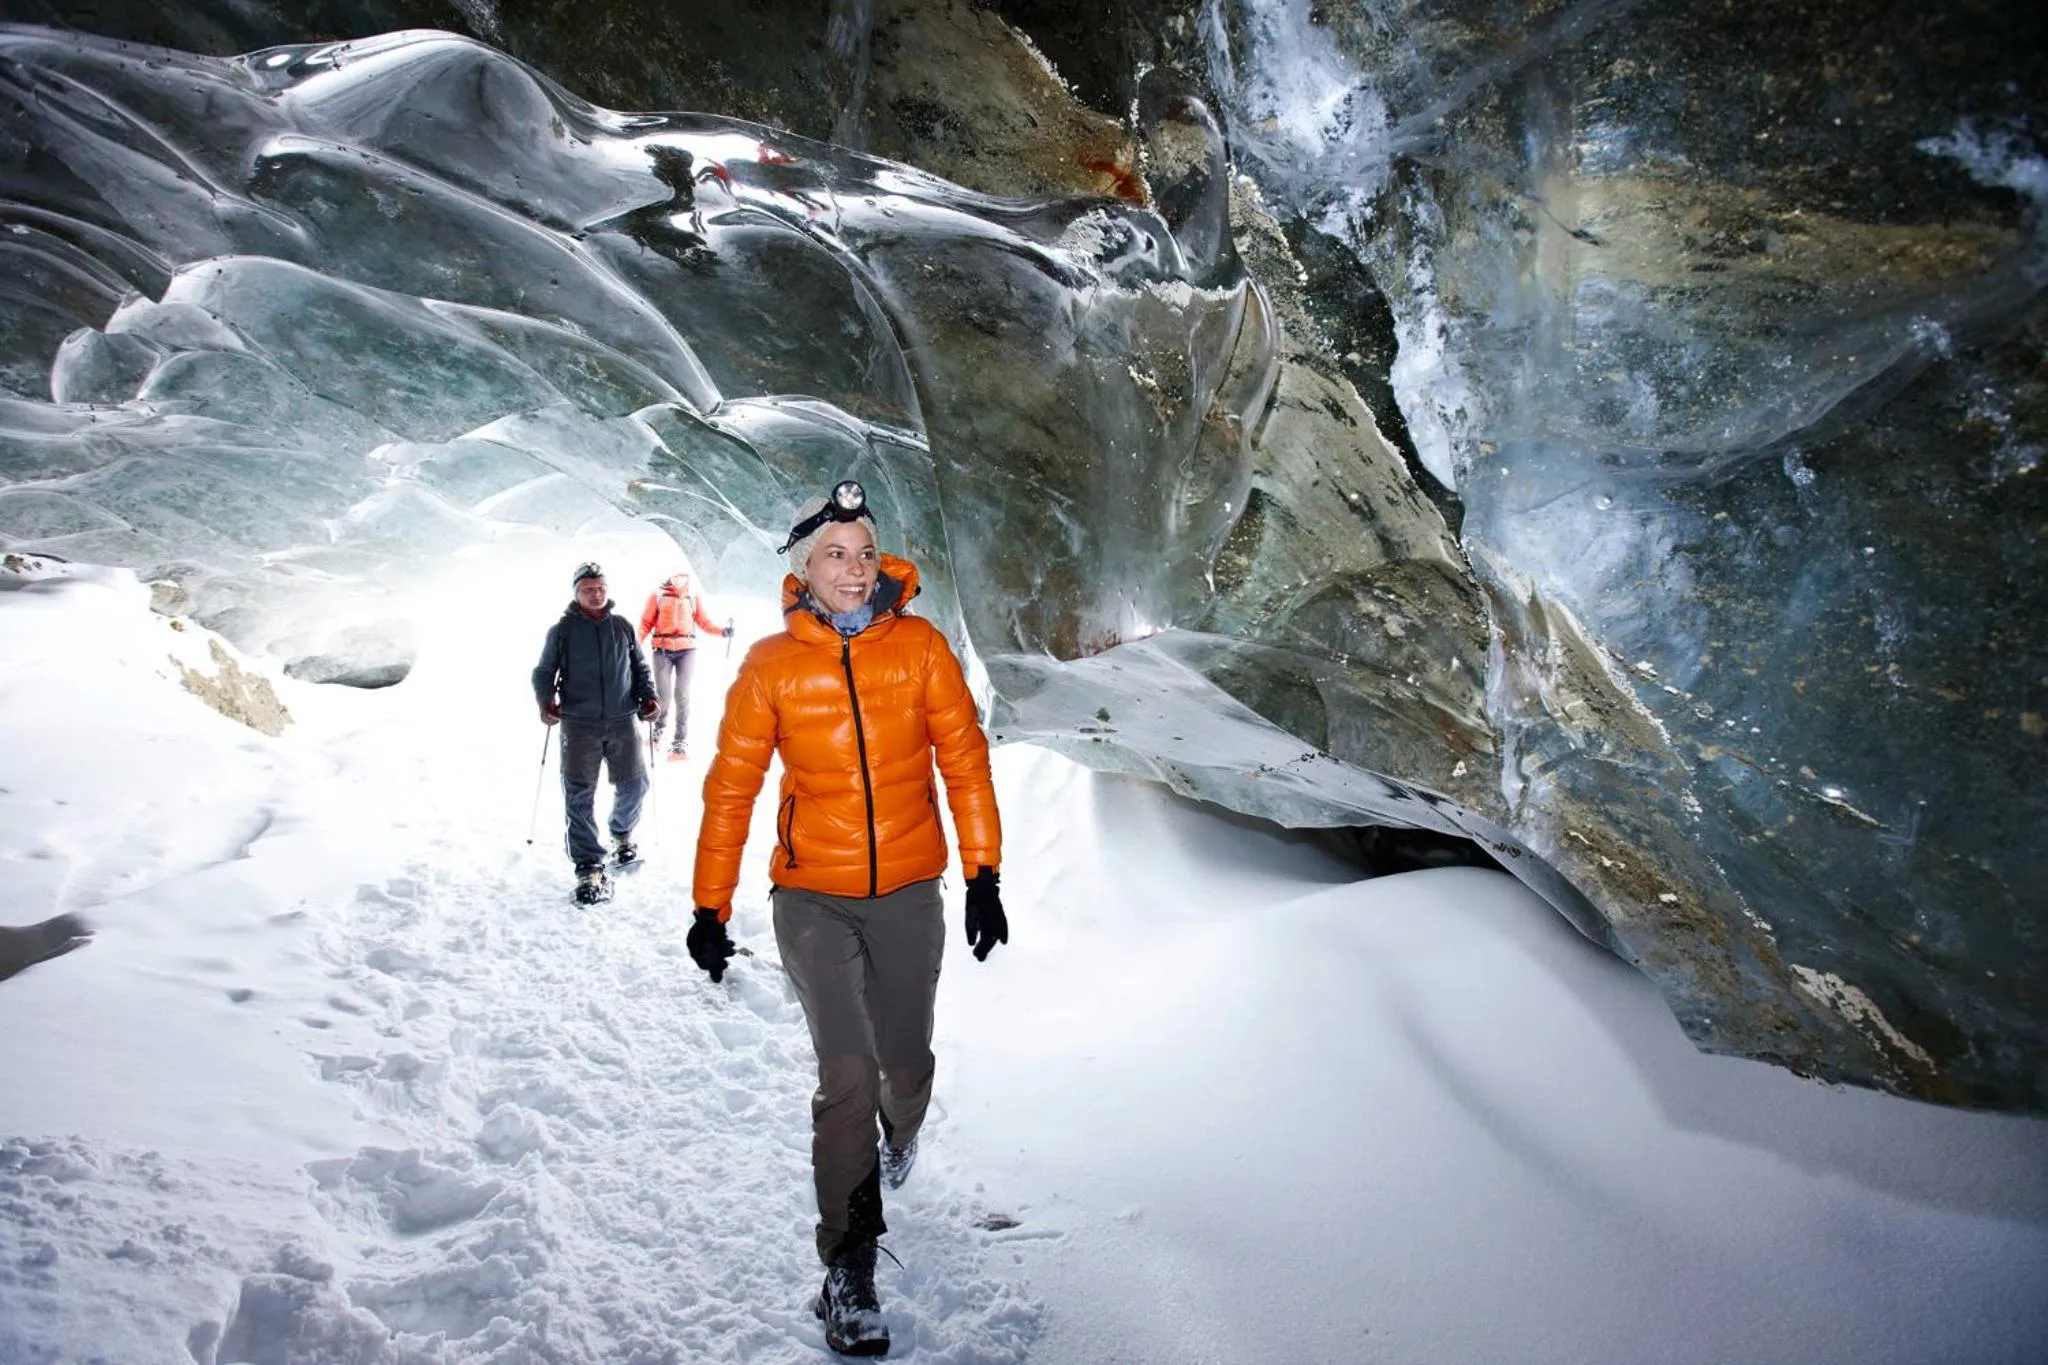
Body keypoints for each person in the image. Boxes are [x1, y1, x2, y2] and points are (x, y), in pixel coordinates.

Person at [687, 481, 1008, 1358]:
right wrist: (709, 905)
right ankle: (848, 1268)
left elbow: (965, 760)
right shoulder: (769, 666)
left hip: (909, 889)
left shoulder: (921, 647)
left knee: (906, 1067)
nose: (856, 569)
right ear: (804, 569)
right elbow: (732, 789)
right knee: (848, 1074)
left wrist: (983, 873)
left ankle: (902, 1135)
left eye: (866, 552)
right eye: (837, 553)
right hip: (812, 896)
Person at [531, 562, 659, 905]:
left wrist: (649, 696)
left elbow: (640, 667)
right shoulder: (562, 631)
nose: (596, 593)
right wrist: (546, 702)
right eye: (588, 589)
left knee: (635, 784)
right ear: (576, 593)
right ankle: (588, 865)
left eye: (600, 587)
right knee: (579, 794)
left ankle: (621, 834)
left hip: (622, 719)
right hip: (579, 724)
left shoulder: (622, 627)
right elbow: (543, 672)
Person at [637, 565, 732, 760]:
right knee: (662, 694)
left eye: (682, 579)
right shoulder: (658, 596)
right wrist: (634, 644)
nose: (678, 583)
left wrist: (722, 631)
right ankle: (658, 730)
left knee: (682, 694)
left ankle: (680, 740)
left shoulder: (692, 598)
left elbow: (704, 622)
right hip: (662, 650)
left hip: (686, 651)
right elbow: (646, 623)